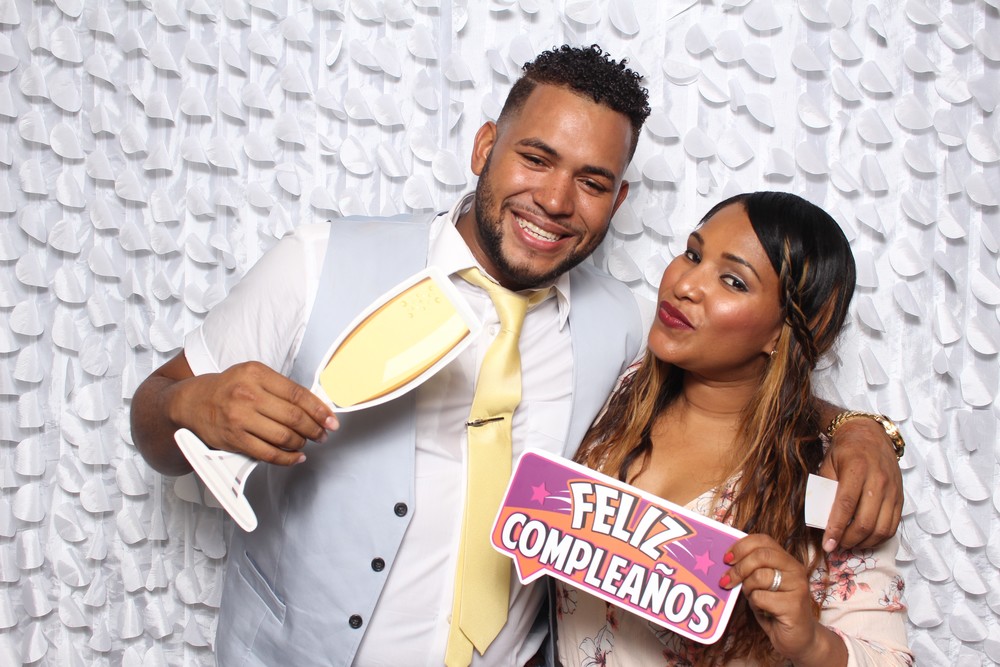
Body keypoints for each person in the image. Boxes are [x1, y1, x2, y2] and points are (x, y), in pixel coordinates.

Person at [129, 46, 903, 667]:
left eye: (591, 181)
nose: (556, 200)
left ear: (618, 200)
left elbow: (750, 380)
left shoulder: (628, 324)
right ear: (484, 146)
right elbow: (155, 416)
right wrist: (189, 404)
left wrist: (862, 430)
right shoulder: (316, 260)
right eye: (535, 157)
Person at [557, 192, 912, 666]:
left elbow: (889, 659)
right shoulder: (620, 384)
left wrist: (812, 643)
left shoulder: (830, 483)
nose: (685, 285)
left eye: (733, 281)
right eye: (692, 254)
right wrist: (863, 427)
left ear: (784, 330)